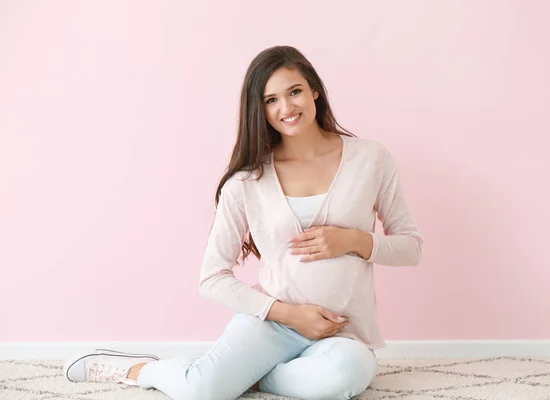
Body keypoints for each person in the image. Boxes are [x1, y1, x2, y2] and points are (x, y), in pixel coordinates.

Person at [63, 45, 423, 400]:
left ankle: (251, 377)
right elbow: (212, 278)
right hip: (273, 323)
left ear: (314, 90)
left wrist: (353, 241)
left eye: (295, 91)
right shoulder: (248, 181)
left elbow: (411, 248)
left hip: (340, 332)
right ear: (260, 110)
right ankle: (143, 370)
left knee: (348, 374)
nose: (287, 108)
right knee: (204, 391)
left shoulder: (370, 158)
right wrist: (290, 315)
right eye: (271, 100)